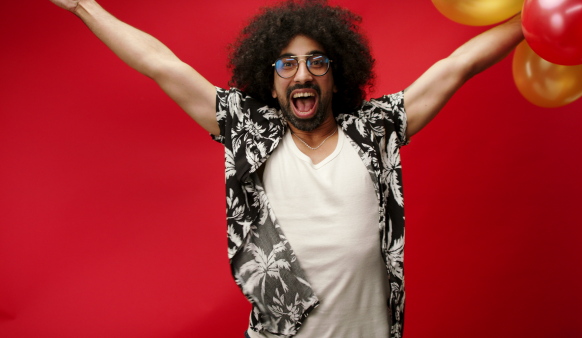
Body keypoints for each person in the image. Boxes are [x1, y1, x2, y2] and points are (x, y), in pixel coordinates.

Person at [48, 0, 524, 337]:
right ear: (271, 83)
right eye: (287, 64)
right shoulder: (249, 129)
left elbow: (458, 64)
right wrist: (83, 6)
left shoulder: (374, 129)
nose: (302, 74)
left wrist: (533, 20)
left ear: (336, 78)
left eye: (317, 62)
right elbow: (161, 64)